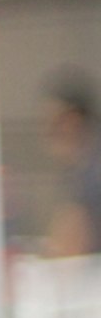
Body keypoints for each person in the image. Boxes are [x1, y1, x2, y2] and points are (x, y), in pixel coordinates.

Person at [44, 77, 101, 259]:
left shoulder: (93, 171)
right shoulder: (81, 171)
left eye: (54, 124)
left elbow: (76, 234)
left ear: (72, 121)